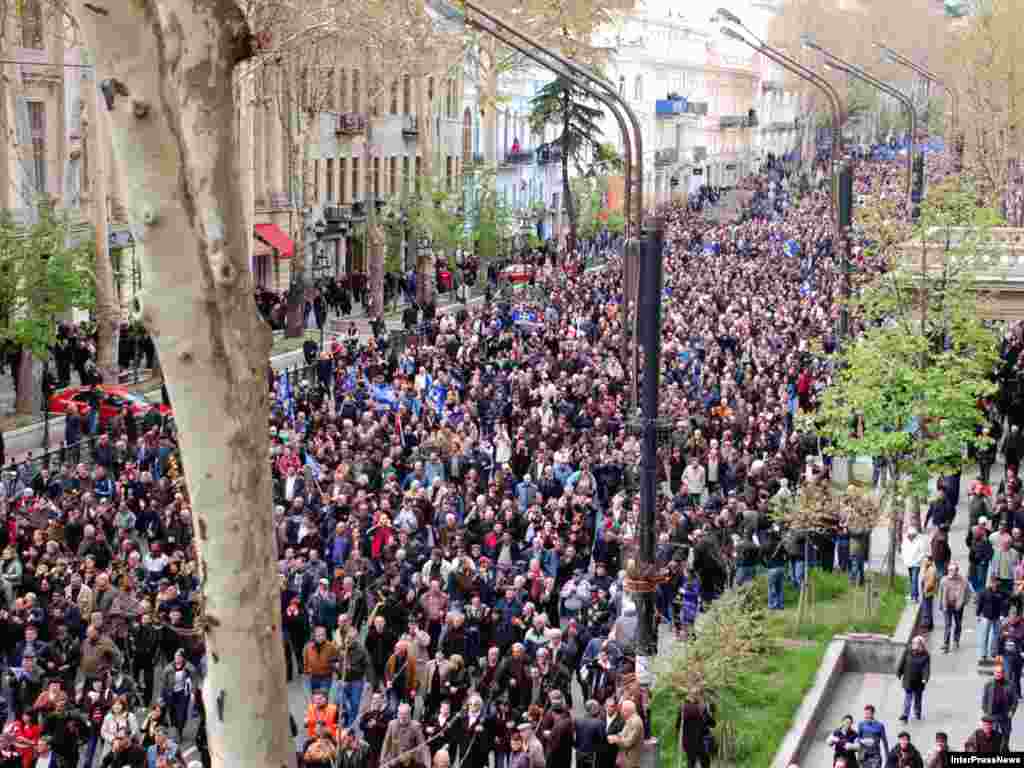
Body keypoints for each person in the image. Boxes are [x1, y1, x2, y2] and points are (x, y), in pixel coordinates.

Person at [981, 662, 1018, 750]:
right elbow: (984, 699)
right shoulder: (988, 685)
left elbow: (1014, 701)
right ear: (994, 673)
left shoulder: (1010, 685)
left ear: (1003, 674)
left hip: (1004, 715)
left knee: (1005, 736)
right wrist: (986, 711)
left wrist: (1011, 711)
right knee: (992, 737)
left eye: (1000, 672)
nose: (998, 674)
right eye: (996, 672)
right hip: (992, 715)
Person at [938, 561, 971, 653]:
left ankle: (956, 640)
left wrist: (964, 602)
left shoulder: (963, 580)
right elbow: (940, 593)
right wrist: (941, 605)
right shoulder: (944, 580)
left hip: (958, 606)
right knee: (948, 624)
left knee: (958, 624)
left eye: (953, 570)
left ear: (957, 571)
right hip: (947, 605)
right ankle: (946, 643)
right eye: (950, 570)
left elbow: (968, 593)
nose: (951, 572)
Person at [896, 636, 930, 723]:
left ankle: (917, 712)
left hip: (919, 681)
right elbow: (902, 662)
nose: (914, 645)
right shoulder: (907, 651)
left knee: (918, 699)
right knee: (908, 698)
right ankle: (905, 715)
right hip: (908, 680)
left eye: (916, 643)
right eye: (913, 643)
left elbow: (926, 668)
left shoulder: (925, 655)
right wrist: (899, 672)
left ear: (921, 645)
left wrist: (925, 678)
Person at [677, 693, 713, 768]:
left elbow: (678, 725)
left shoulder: (682, 708)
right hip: (700, 741)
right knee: (705, 762)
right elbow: (712, 723)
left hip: (688, 742)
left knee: (691, 761)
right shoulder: (701, 707)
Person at [606, 699, 643, 768]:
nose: (621, 712)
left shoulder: (635, 722)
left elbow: (628, 742)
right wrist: (615, 736)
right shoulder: (630, 719)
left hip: (630, 761)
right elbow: (623, 733)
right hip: (625, 759)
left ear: (627, 711)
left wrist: (615, 740)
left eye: (622, 710)